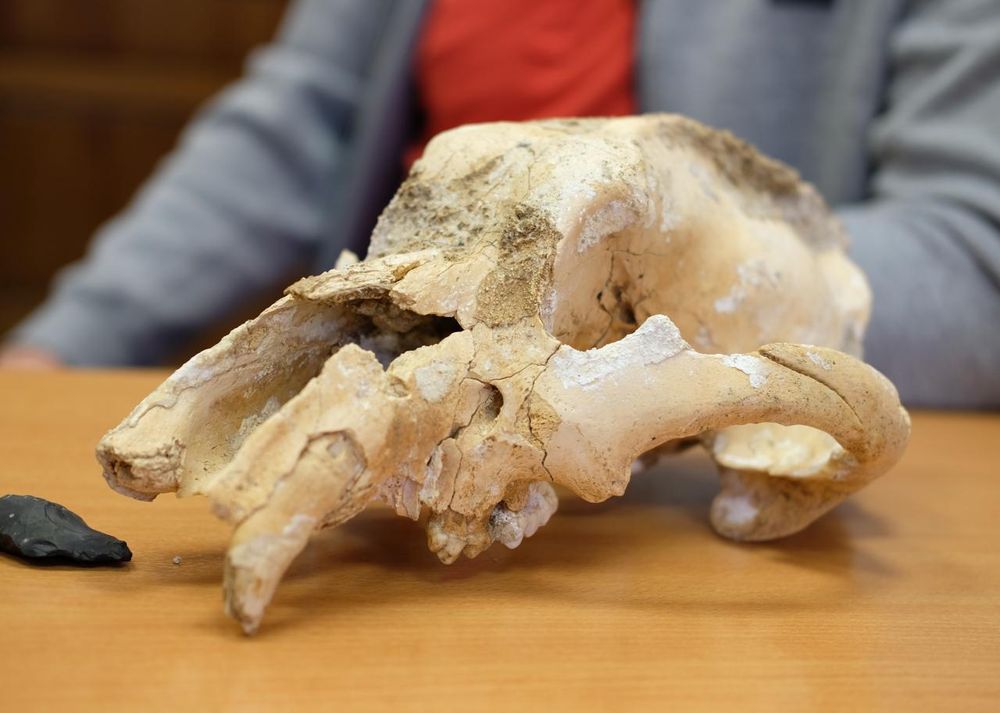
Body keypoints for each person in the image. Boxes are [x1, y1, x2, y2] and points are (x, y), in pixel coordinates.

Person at [2, 0, 998, 408]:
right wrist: (65, 342)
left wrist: (647, 292)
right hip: (402, 398)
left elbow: (970, 257)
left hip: (721, 484)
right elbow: (294, 122)